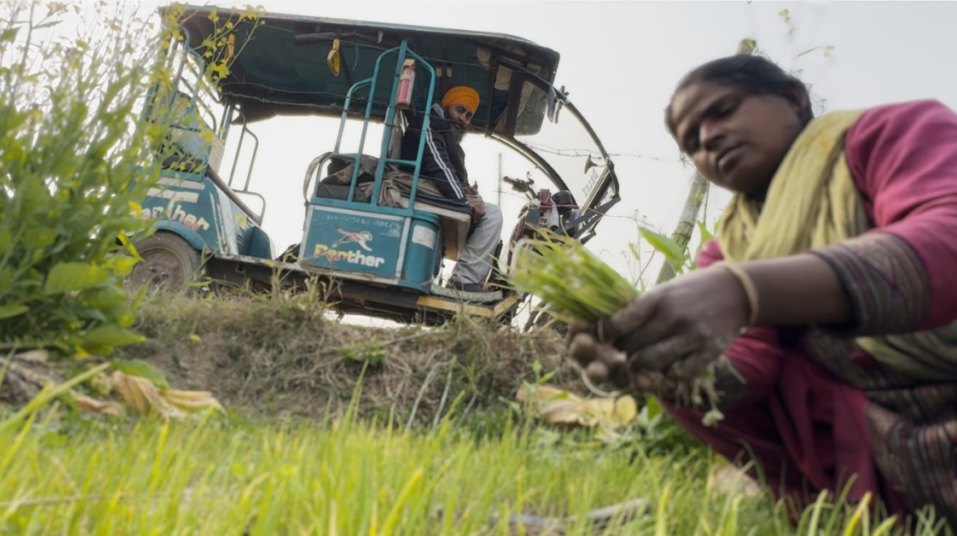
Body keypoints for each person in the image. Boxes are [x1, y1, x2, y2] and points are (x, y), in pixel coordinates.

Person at [568, 54, 957, 525]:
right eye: (692, 143)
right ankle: (839, 514)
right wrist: (653, 361)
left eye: (724, 110)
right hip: (885, 428)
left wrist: (745, 290)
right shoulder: (732, 246)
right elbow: (751, 366)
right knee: (687, 360)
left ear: (794, 99)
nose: (708, 139)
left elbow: (946, 239)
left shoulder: (890, 133)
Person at [399, 86, 503, 292]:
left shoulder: (452, 142)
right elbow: (438, 165)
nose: (463, 118)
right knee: (491, 215)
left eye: (468, 115)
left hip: (434, 189)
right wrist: (464, 203)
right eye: (460, 110)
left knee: (487, 211)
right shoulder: (429, 123)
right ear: (446, 106)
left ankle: (467, 278)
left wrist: (468, 192)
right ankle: (464, 281)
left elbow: (453, 175)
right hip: (416, 187)